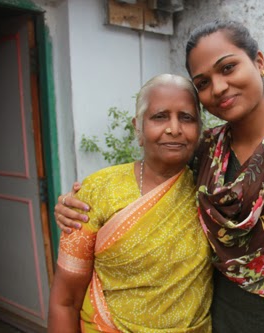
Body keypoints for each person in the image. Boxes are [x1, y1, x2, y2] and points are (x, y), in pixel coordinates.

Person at [56, 21, 264, 333]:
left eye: (228, 68)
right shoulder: (208, 154)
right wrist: (77, 200)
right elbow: (154, 181)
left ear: (259, 62)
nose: (219, 87)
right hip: (222, 324)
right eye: (202, 83)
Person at [48, 74, 213, 333]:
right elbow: (65, 301)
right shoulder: (98, 191)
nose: (174, 128)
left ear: (199, 129)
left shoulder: (210, 190)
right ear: (138, 127)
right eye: (160, 116)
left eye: (186, 117)